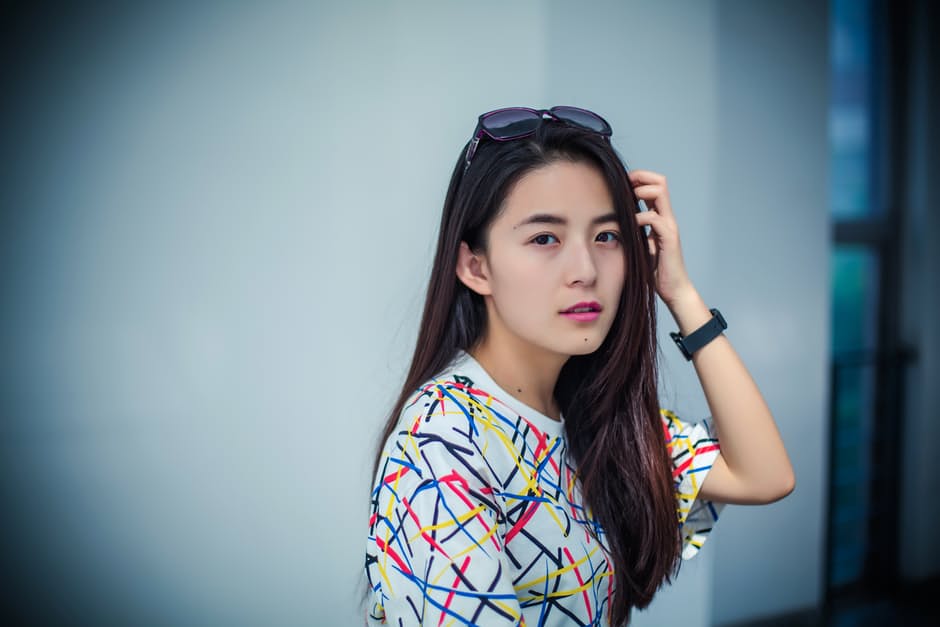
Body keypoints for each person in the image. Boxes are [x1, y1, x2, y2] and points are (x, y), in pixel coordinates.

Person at [363, 106, 794, 626]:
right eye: (545, 238)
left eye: (606, 236)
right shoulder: (442, 441)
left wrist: (680, 294)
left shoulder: (590, 414)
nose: (585, 270)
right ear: (476, 267)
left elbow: (763, 475)